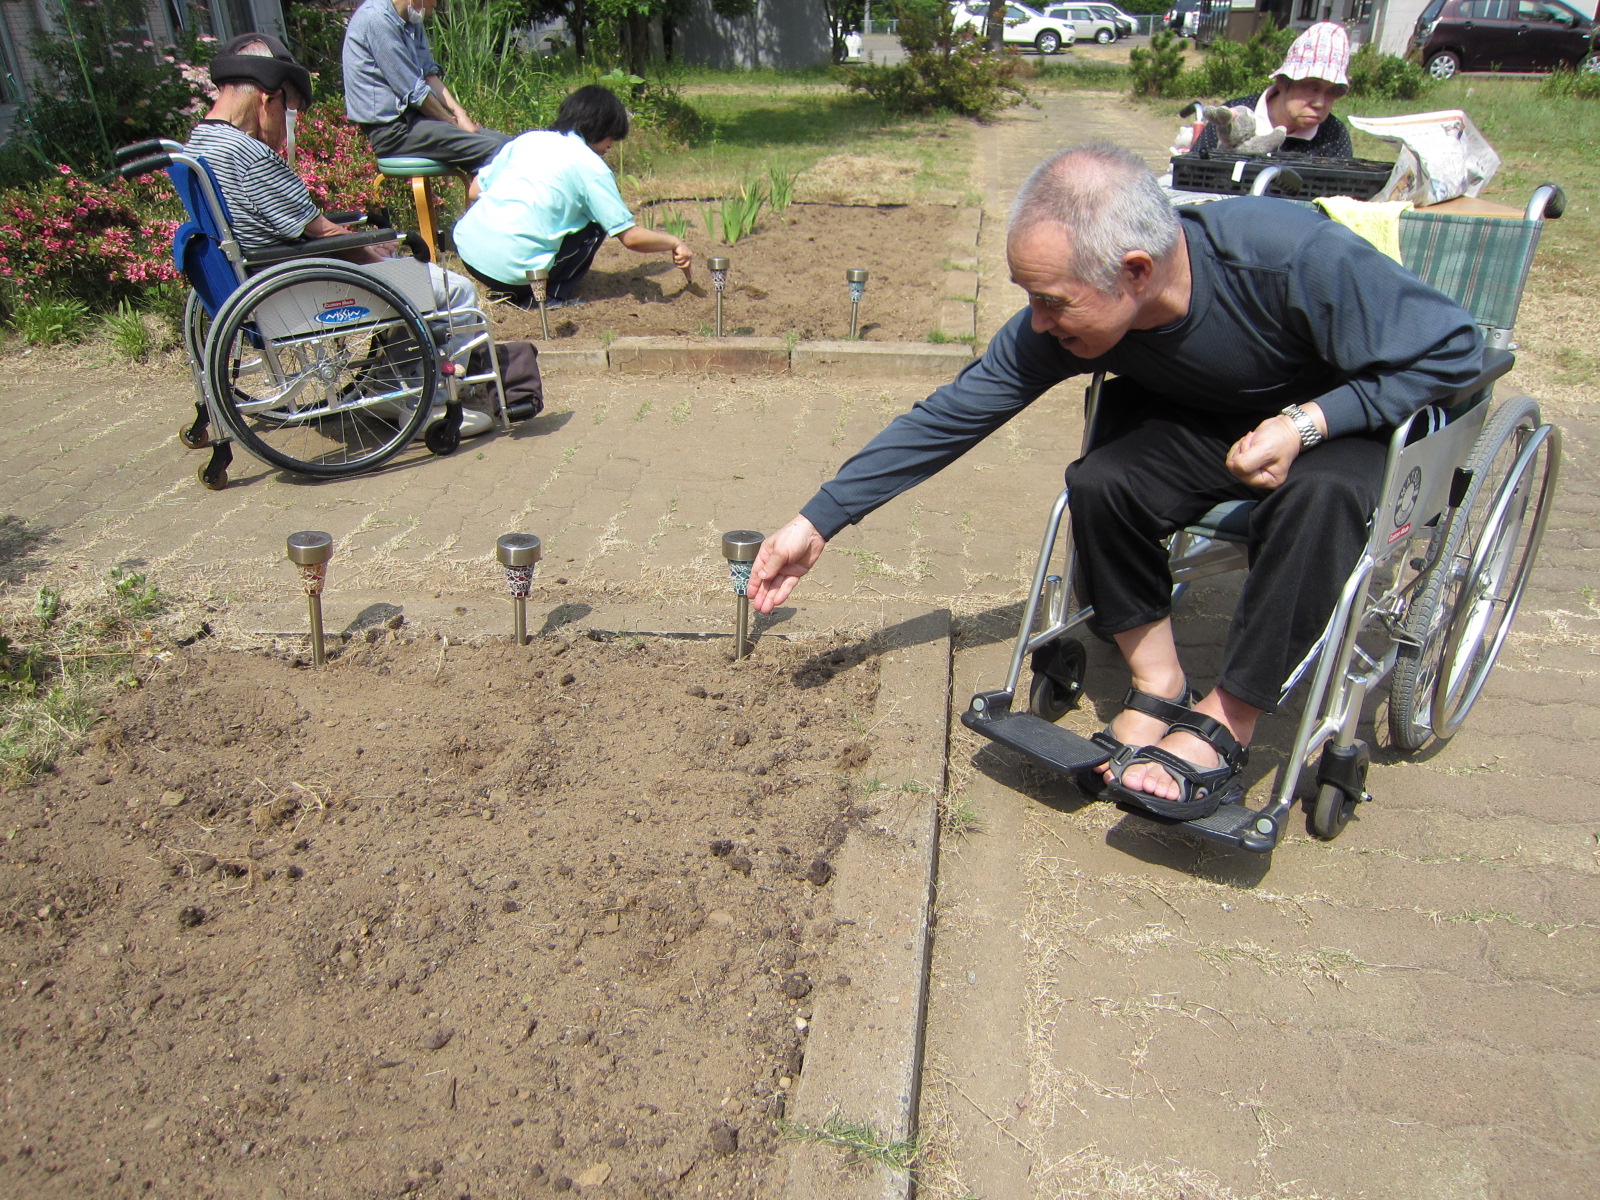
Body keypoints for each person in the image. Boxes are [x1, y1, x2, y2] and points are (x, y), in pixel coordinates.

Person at [746, 143, 1484, 819]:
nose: (1036, 324)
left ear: (1135, 271)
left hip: (1346, 425)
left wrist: (1310, 423)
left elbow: (1459, 351)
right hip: (1213, 423)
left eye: (1051, 302)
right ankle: (1161, 681)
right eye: (1027, 295)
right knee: (1102, 479)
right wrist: (818, 521)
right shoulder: (1068, 314)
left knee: (1319, 498)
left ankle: (1229, 718)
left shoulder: (1287, 257)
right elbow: (953, 412)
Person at [186, 34, 492, 436]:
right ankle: (430, 407)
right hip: (298, 288)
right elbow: (322, 231)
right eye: (289, 114)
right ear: (268, 99)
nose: (285, 132)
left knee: (406, 280)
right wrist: (383, 252)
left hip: (265, 278)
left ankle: (396, 392)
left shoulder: (200, 142)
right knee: (455, 292)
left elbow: (300, 224)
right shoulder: (249, 154)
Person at [452, 85, 693, 308]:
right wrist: (674, 242)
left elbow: (475, 190)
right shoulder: (592, 168)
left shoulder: (528, 139)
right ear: (600, 128)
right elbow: (630, 237)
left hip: (468, 255)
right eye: (611, 136)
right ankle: (551, 297)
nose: (611, 145)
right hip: (516, 276)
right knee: (597, 223)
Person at [341, 0, 510, 176]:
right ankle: (487, 201)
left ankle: (487, 198)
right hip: (393, 131)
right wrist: (453, 125)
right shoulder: (376, 20)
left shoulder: (412, 16)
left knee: (506, 145)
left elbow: (428, 74)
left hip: (418, 120)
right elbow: (414, 92)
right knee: (494, 150)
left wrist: (461, 115)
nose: (436, 4)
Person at [1190, 22, 1354, 158]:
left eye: (1333, 91)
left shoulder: (1334, 135)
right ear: (1282, 82)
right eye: (1312, 87)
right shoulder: (1234, 117)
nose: (1320, 103)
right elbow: (1192, 173)